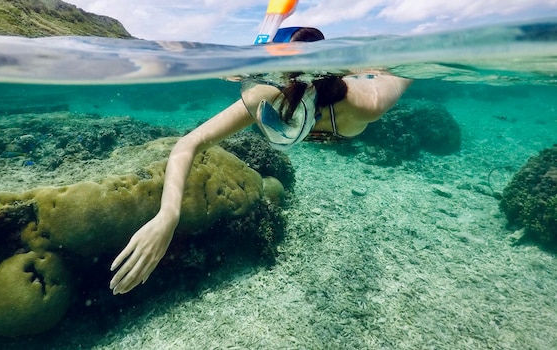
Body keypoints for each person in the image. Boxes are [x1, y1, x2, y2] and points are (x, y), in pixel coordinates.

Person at [109, 27, 412, 295]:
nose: (273, 121)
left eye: (287, 119)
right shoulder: (263, 95)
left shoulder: (367, 105)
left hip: (346, 106)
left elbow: (405, 70)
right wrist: (168, 215)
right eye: (272, 117)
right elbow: (189, 143)